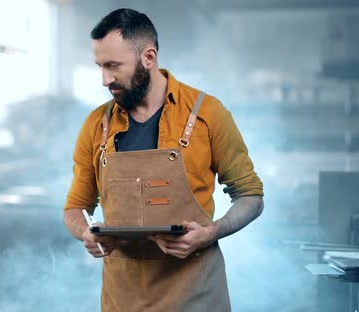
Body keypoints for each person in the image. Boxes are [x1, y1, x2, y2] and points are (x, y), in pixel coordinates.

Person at [63, 8, 264, 312]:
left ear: (149, 57)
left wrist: (210, 233)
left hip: (195, 294)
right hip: (123, 298)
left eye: (114, 66)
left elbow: (251, 196)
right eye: (100, 66)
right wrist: (86, 233)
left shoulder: (208, 114)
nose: (105, 79)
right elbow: (76, 205)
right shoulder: (96, 125)